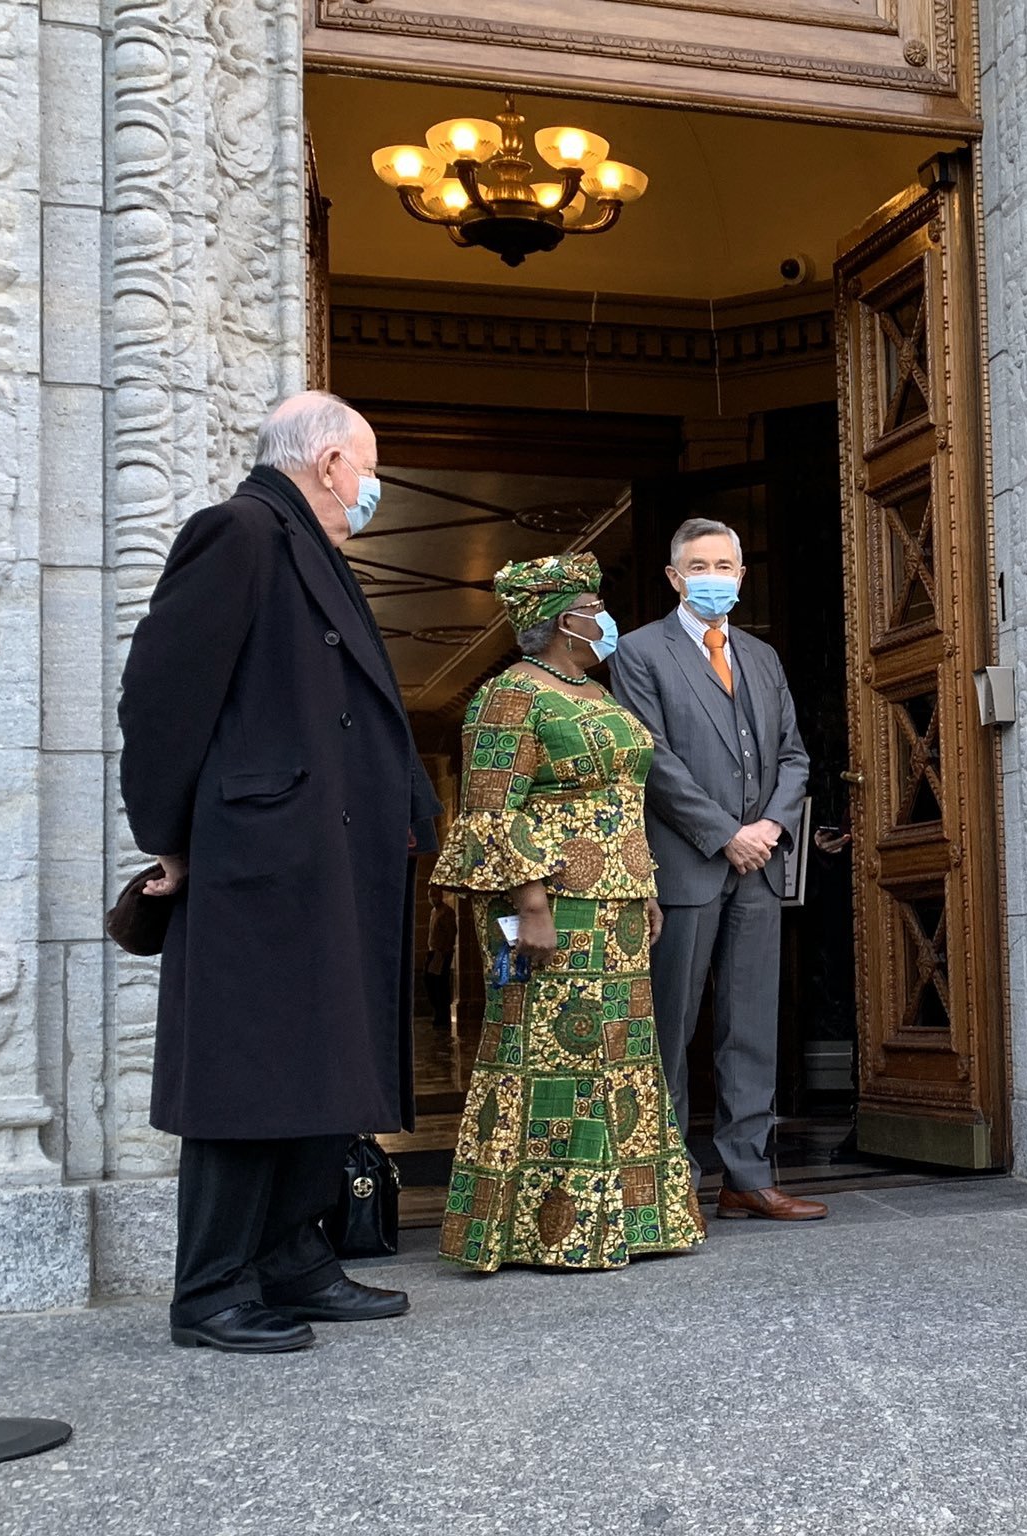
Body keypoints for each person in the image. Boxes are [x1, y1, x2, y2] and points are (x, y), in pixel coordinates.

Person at [120, 391, 439, 1353]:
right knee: (246, 1075)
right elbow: (162, 697)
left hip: (327, 855)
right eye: (369, 467)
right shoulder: (240, 532)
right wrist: (168, 838)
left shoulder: (311, 545)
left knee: (322, 1062)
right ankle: (211, 1290)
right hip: (262, 857)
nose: (372, 488)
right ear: (331, 461)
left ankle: (295, 1261)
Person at [431, 555, 706, 1272]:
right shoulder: (510, 696)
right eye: (592, 605)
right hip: (553, 907)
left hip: (614, 908)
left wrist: (642, 886)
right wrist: (530, 906)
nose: (603, 615)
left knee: (620, 1057)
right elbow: (492, 812)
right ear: (558, 620)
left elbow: (622, 803)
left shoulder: (594, 690)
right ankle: (543, 1232)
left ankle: (630, 1223)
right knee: (553, 1057)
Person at [609, 518, 819, 1221]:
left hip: (757, 868)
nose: (713, 575)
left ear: (740, 575)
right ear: (674, 577)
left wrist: (769, 827)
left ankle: (746, 1177)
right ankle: (671, 1188)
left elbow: (793, 755)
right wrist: (725, 834)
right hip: (687, 867)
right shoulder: (639, 654)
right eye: (698, 564)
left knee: (751, 1026)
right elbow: (653, 760)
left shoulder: (761, 656)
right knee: (672, 1030)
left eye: (724, 564)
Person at [423, 887, 459, 1029]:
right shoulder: (433, 912)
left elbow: (451, 933)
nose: (432, 898)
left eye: (434, 895)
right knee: (429, 982)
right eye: (430, 895)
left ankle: (442, 1016)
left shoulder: (447, 912)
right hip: (433, 952)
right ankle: (438, 1012)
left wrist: (444, 951)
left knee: (440, 984)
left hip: (441, 953)